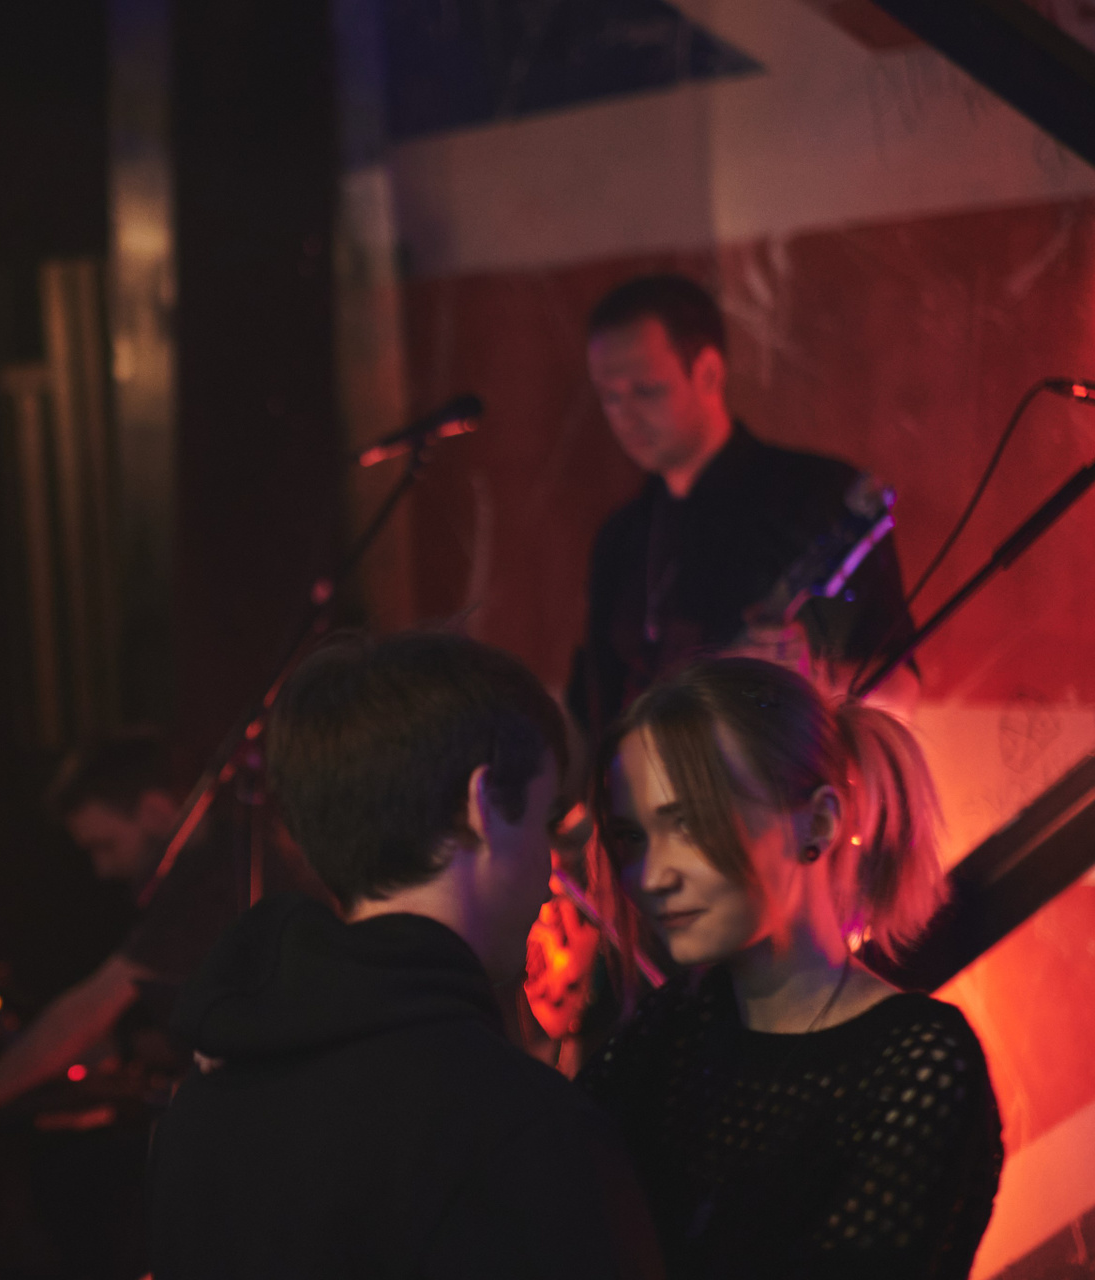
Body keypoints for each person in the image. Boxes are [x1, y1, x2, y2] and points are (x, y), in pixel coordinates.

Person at [147, 632, 664, 1280]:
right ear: (482, 807)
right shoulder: (523, 1130)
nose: (550, 869)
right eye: (544, 821)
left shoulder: (197, 1111)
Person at [577, 656, 1001, 1280]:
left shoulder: (915, 1060)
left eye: (689, 824)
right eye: (632, 838)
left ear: (819, 822)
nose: (652, 876)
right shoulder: (668, 1032)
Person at [0, 733, 319, 1132]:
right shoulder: (233, 852)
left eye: (105, 846)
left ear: (155, 811)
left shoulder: (214, 882)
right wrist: (122, 1047)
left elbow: (88, 1011)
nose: (102, 869)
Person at [567, 274, 912, 745]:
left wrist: (817, 677)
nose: (624, 416)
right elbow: (596, 710)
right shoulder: (620, 535)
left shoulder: (814, 497)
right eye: (609, 395)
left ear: (709, 371)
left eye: (646, 389)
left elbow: (902, 692)